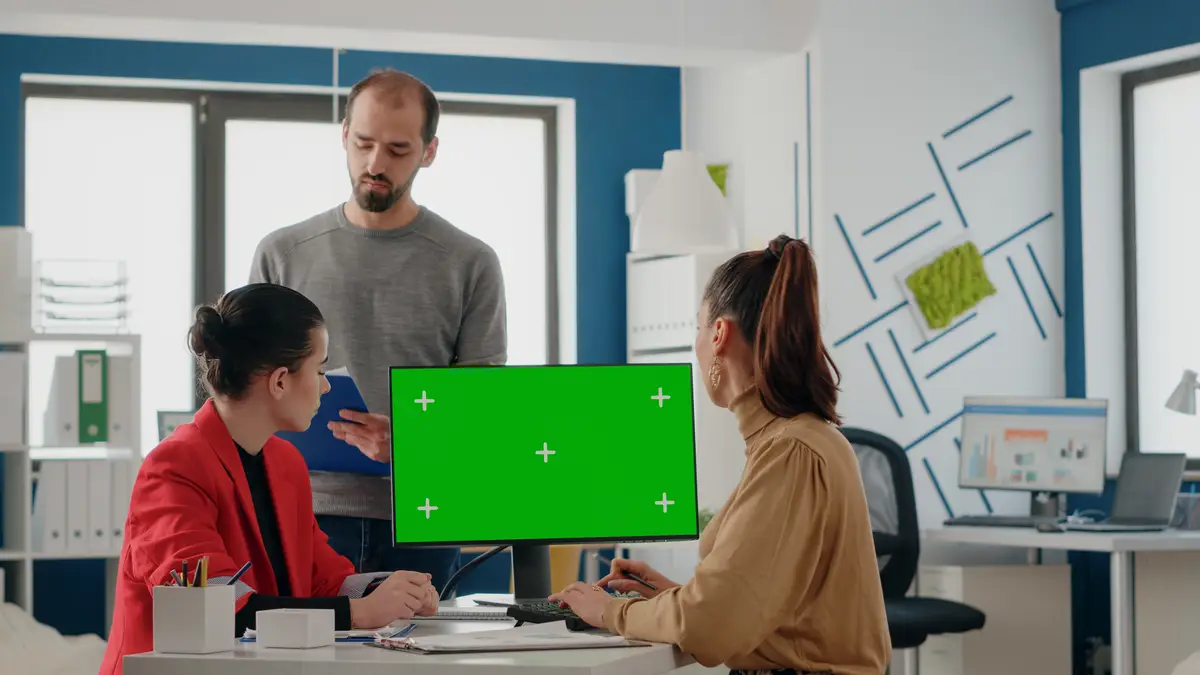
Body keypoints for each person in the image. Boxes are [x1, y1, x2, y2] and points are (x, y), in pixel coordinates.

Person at [550, 235, 890, 675]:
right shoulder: (794, 440)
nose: (696, 344)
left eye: (698, 327)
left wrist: (609, 612)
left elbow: (710, 627)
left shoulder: (792, 452)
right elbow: (758, 613)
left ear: (719, 334)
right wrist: (674, 598)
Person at [248, 68, 506, 591]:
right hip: (303, 510)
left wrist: (413, 440)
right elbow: (245, 389)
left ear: (430, 151)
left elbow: (481, 409)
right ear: (343, 135)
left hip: (424, 513)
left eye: (397, 149)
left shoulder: (471, 262)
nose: (375, 164)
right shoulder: (282, 253)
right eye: (363, 143)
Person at [99, 284, 439, 675]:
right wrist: (357, 614)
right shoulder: (174, 467)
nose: (326, 385)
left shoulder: (285, 462)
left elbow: (324, 579)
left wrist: (392, 591)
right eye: (321, 369)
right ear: (279, 381)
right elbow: (217, 609)